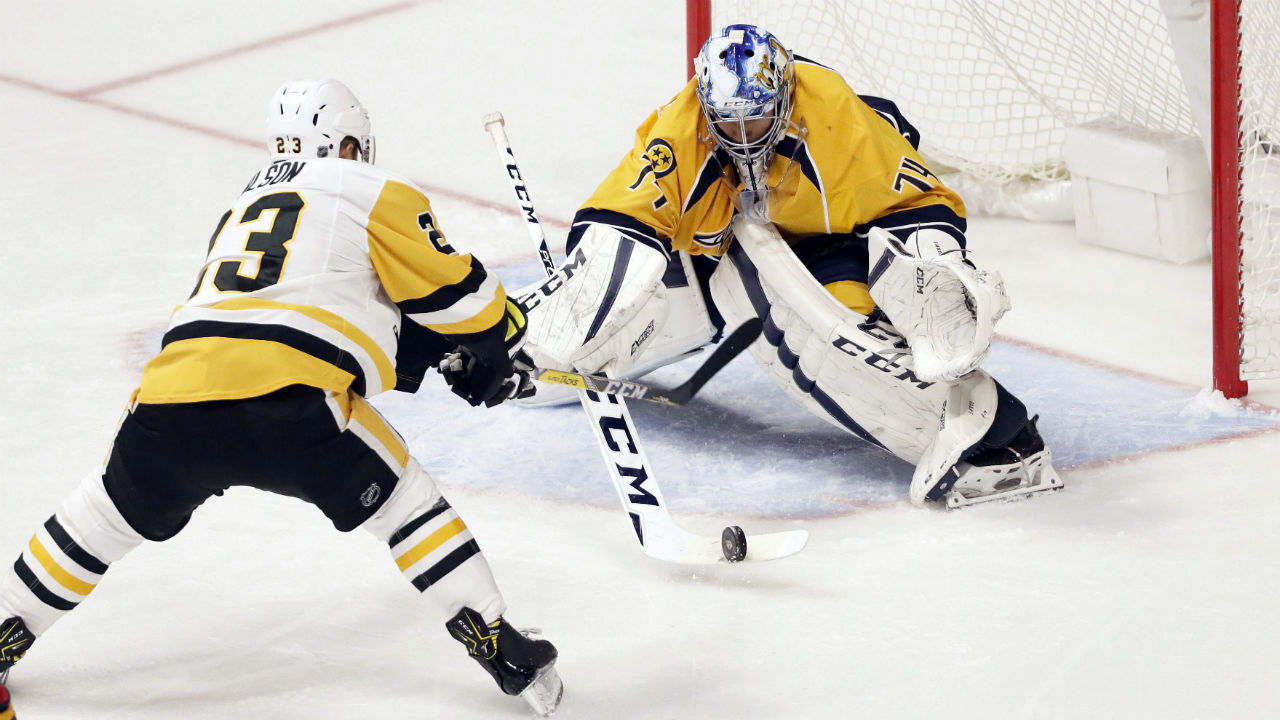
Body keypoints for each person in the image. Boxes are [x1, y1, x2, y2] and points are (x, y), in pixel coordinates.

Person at [0, 79, 562, 716]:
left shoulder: (242, 207)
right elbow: (461, 300)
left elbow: (315, 305)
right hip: (293, 405)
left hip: (172, 398)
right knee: (405, 506)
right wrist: (497, 340)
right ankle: (497, 642)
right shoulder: (371, 190)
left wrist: (443, 358)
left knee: (99, 518)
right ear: (350, 143)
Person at [518, 24, 1062, 508]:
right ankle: (526, 355)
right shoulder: (680, 132)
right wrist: (557, 316)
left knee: (833, 342)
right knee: (641, 305)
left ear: (783, 96)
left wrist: (932, 281)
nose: (744, 136)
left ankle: (1000, 438)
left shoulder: (834, 117)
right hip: (719, 252)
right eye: (729, 124)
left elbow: (918, 203)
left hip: (837, 243)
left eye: (756, 119)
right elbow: (621, 223)